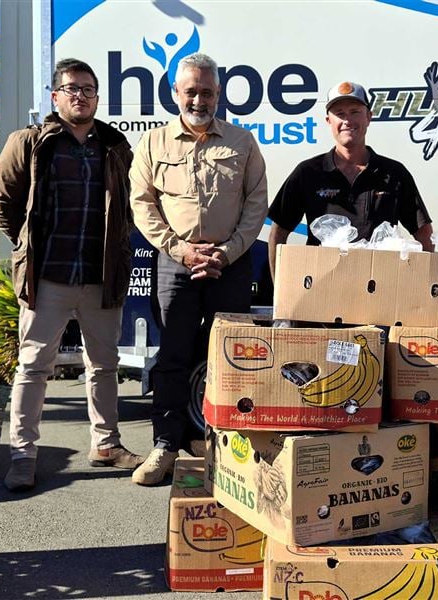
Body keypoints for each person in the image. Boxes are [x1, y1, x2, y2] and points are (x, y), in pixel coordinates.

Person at [0, 58, 144, 492]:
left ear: (97, 97)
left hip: (100, 277)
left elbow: (126, 206)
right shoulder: (32, 142)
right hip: (49, 277)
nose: (81, 96)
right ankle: (23, 454)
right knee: (34, 366)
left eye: (89, 90)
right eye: (72, 88)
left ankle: (106, 445)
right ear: (55, 96)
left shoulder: (114, 147)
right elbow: (2, 199)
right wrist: (25, 243)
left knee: (104, 365)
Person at [129, 52, 268, 486]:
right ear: (176, 93)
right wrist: (181, 250)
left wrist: (226, 252)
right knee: (172, 356)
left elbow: (255, 203)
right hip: (176, 265)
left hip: (231, 265)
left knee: (233, 358)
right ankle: (166, 446)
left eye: (207, 91)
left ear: (219, 94)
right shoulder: (153, 143)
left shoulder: (243, 142)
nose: (199, 99)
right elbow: (142, 204)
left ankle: (231, 446)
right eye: (191, 91)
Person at [267, 81, 433, 277]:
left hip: (379, 286)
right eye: (340, 113)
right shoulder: (308, 172)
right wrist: (280, 287)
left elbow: (423, 233)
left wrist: (424, 284)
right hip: (322, 287)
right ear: (329, 121)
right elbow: (278, 232)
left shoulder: (395, 173)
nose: (347, 120)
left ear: (369, 117)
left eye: (355, 112)